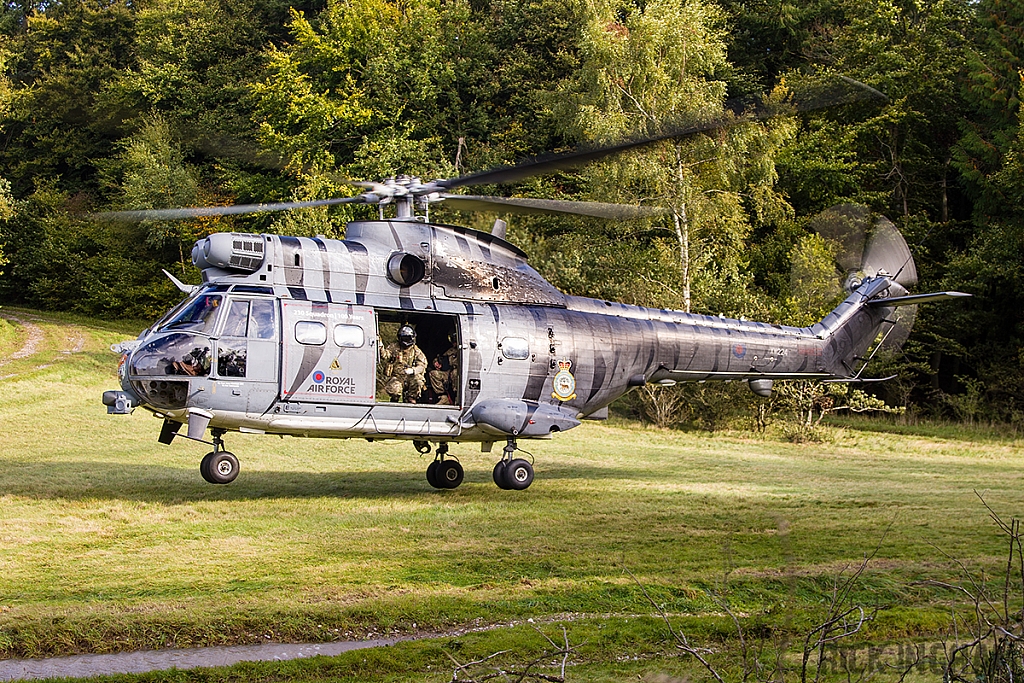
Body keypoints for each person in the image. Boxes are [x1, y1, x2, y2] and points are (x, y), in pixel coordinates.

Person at [380, 325, 427, 403]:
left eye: (408, 338)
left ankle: (411, 399)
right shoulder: (394, 347)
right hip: (397, 377)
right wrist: (380, 346)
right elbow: (385, 355)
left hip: (410, 378)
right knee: (395, 390)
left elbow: (422, 365)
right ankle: (394, 399)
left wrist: (413, 370)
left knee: (418, 381)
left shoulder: (416, 350)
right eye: (405, 338)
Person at [428, 331, 460, 405]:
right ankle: (444, 397)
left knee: (455, 373)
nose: (453, 343)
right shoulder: (451, 350)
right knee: (433, 374)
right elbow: (441, 358)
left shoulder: (463, 350)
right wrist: (436, 363)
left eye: (454, 340)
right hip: (448, 372)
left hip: (458, 373)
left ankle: (457, 398)